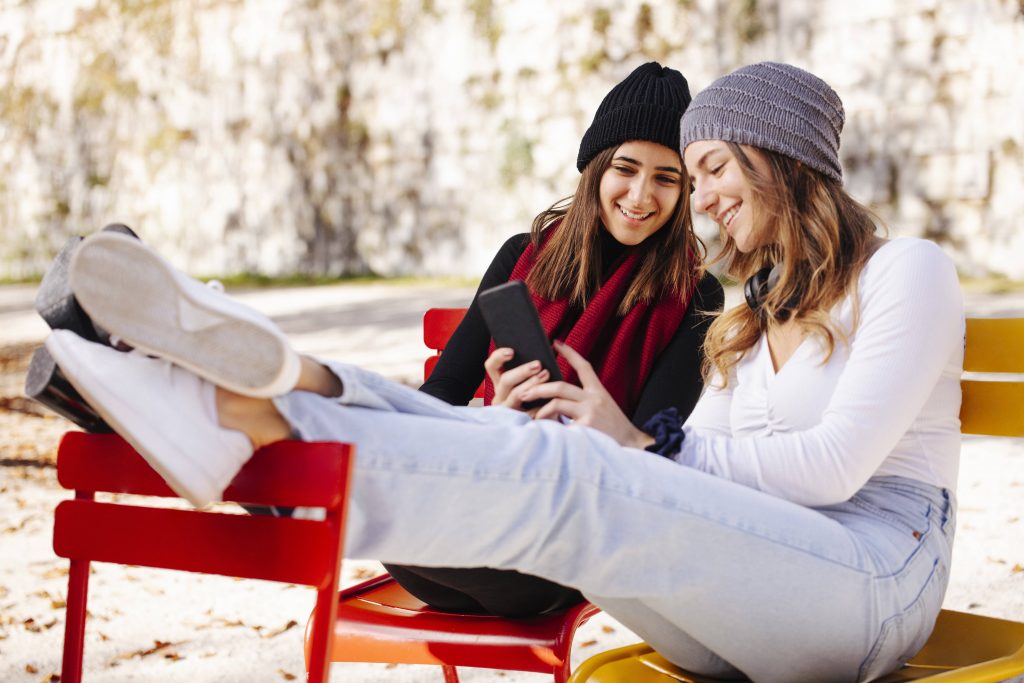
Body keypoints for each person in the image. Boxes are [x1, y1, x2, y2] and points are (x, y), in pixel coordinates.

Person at [43, 61, 964, 683]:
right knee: (523, 436)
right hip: (754, 596)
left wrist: (637, 441)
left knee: (571, 473)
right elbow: (690, 469)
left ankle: (237, 421)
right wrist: (625, 439)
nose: (702, 198)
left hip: (875, 584)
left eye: (708, 168)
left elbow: (834, 468)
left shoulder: (905, 269)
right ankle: (258, 387)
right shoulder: (749, 315)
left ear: (788, 158)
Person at [389, 61, 722, 616]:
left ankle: (349, 506)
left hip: (565, 542)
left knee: (392, 516)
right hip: (474, 508)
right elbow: (443, 390)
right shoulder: (523, 255)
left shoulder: (697, 296)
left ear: (686, 188)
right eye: (626, 167)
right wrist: (497, 413)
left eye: (667, 177)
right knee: (392, 486)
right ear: (595, 167)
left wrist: (588, 423)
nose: (642, 195)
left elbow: (653, 454)